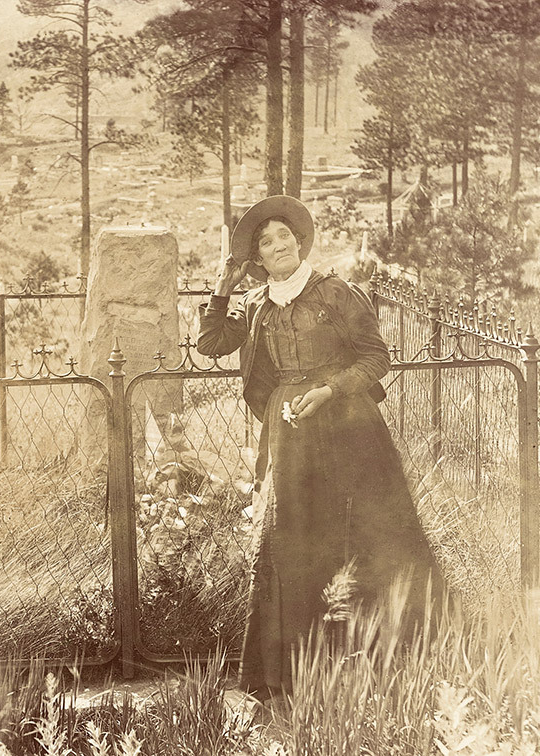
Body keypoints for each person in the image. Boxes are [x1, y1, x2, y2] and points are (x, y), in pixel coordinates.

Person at [197, 195, 443, 697]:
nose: (279, 244)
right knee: (288, 541)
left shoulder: (336, 293)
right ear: (256, 259)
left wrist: (330, 390)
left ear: (299, 240)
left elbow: (377, 359)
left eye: (285, 235)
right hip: (290, 434)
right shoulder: (256, 304)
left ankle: (394, 659)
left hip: (350, 427)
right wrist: (223, 288)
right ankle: (289, 674)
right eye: (266, 242)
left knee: (372, 535)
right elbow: (211, 344)